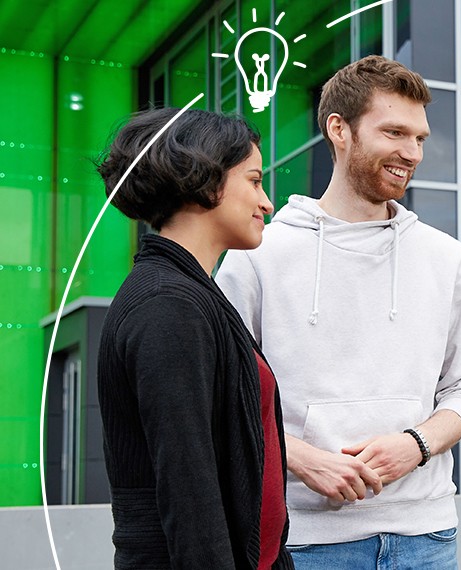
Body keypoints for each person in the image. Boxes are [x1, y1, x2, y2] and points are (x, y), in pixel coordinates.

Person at [216, 55, 461, 569]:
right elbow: (224, 391)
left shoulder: (445, 256)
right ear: (339, 129)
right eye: (394, 132)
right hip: (305, 539)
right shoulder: (257, 254)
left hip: (426, 538)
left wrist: (416, 444)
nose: (411, 152)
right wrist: (299, 457)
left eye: (420, 138)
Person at [96, 108, 290, 569]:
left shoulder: (192, 293)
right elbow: (189, 488)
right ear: (206, 181)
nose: (267, 203)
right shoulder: (168, 304)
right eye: (255, 180)